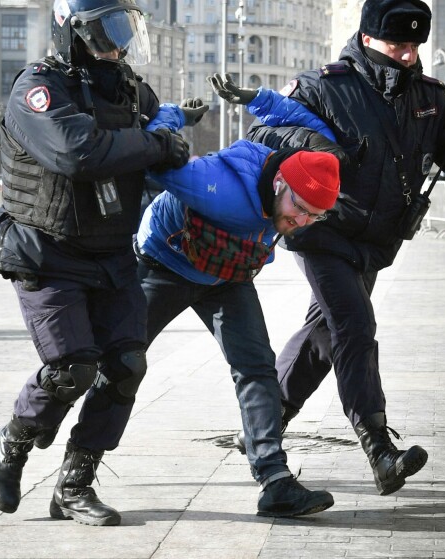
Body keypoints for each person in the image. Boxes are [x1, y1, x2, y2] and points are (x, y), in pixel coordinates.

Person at [241, 0, 445, 497]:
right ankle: (380, 452)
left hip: (375, 241)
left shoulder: (427, 97)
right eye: (398, 45)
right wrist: (315, 143)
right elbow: (263, 131)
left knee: (326, 335)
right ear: (367, 38)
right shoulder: (324, 86)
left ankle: (263, 425)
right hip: (320, 231)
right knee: (354, 324)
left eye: (414, 46)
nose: (408, 56)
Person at [0, 0, 200, 527]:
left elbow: (162, 139)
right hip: (45, 250)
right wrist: (155, 144)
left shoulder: (128, 89)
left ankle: (75, 485)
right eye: (106, 31)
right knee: (72, 368)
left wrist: (175, 142)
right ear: (72, 32)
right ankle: (13, 439)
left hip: (111, 251)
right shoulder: (38, 88)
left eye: (124, 30)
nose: (117, 44)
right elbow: (76, 151)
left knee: (126, 366)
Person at [130, 74, 341, 517]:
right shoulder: (214, 183)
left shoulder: (312, 170)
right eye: (299, 210)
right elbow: (152, 156)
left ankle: (275, 481)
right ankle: (74, 470)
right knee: (120, 363)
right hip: (164, 262)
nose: (302, 221)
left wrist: (259, 99)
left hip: (227, 273)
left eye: (314, 217)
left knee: (256, 366)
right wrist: (175, 116)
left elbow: (314, 126)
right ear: (281, 185)